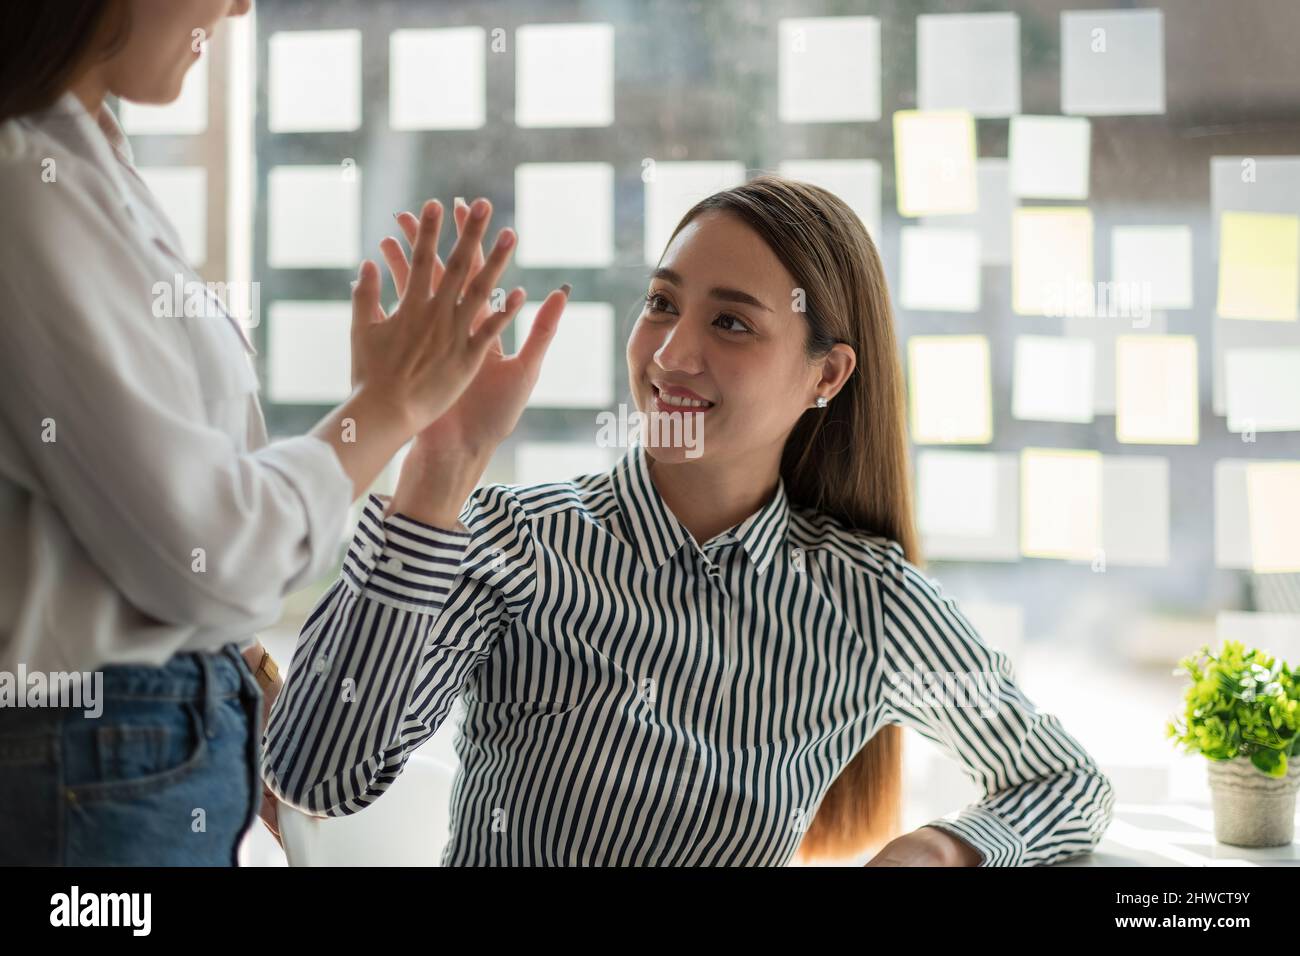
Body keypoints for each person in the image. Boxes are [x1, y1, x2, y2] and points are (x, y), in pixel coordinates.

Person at [264, 175, 1117, 866]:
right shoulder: (514, 543)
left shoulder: (869, 601)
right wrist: (439, 466)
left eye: (732, 321)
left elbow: (1064, 781)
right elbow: (314, 774)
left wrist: (941, 850)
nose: (671, 356)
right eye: (663, 304)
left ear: (828, 375)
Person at [0, 0, 567, 865]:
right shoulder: (26, 184)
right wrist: (388, 412)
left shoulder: (84, 172)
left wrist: (417, 430)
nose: (239, 5)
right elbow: (211, 557)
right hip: (97, 764)